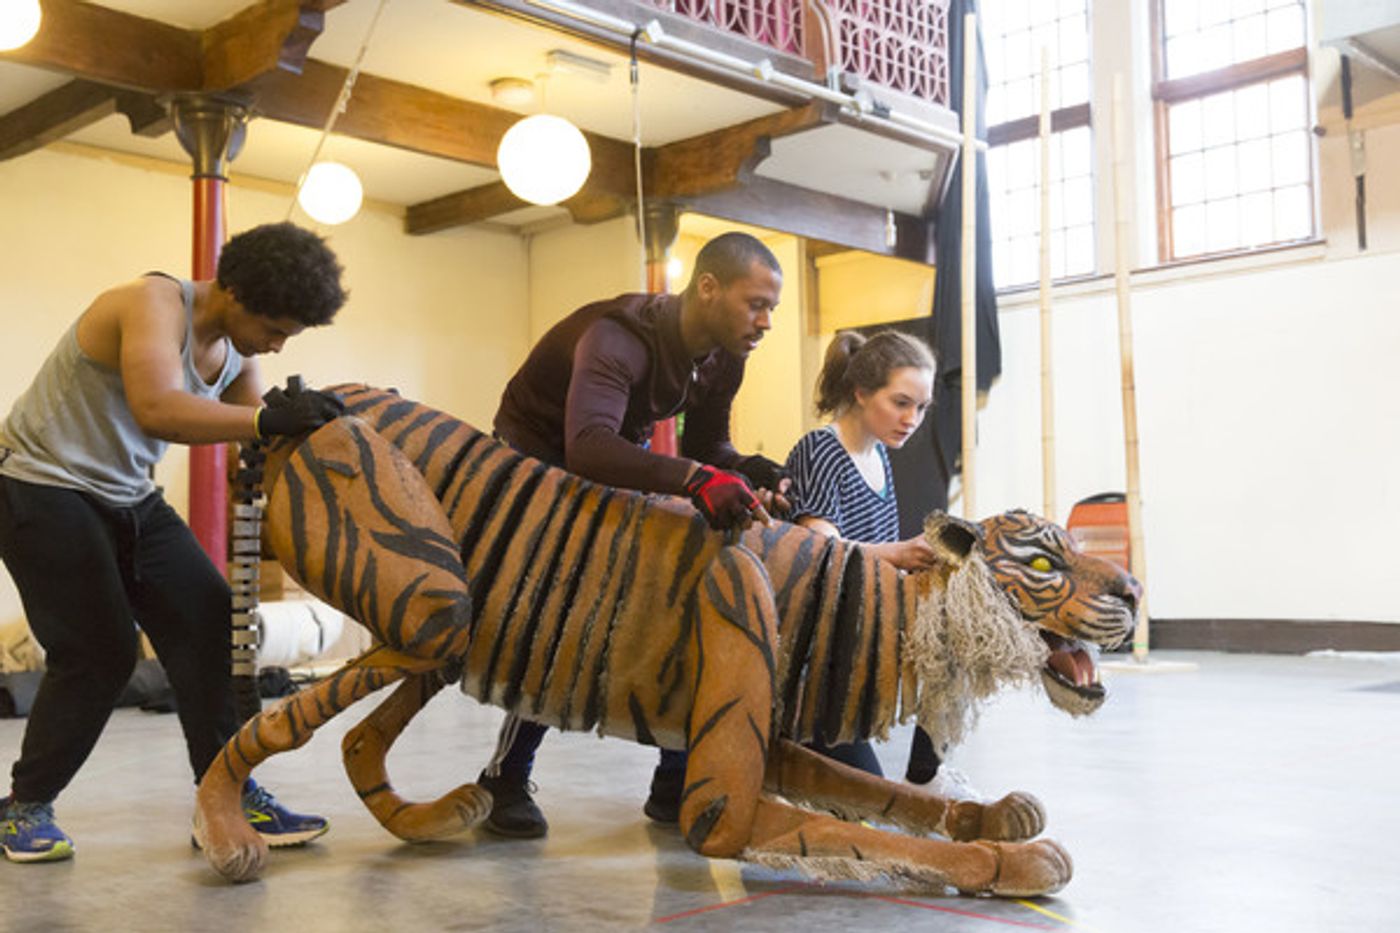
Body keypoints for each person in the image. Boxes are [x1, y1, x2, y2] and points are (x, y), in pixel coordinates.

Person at [0, 222, 349, 863]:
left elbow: (253, 428)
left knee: (209, 620)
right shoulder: (150, 304)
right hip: (41, 485)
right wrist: (265, 418)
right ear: (234, 291)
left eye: (287, 336)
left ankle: (226, 796)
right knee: (98, 650)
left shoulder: (237, 347)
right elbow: (157, 408)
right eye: (273, 328)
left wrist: (310, 420)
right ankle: (23, 808)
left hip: (129, 494)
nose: (274, 344)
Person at [477, 231, 792, 838]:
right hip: (536, 454)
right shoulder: (616, 336)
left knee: (680, 601)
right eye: (757, 303)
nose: (766, 321)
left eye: (771, 308)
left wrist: (757, 471)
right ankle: (504, 777)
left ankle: (675, 781)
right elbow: (588, 446)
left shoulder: (725, 355)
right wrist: (700, 479)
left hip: (610, 451)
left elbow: (708, 447)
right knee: (565, 612)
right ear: (707, 287)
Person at [783, 330, 948, 782]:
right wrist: (900, 553)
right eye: (900, 403)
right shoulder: (820, 450)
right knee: (862, 798)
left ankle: (927, 776)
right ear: (860, 392)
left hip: (860, 630)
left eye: (921, 407)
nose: (912, 418)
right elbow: (819, 552)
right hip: (819, 652)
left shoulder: (878, 457)